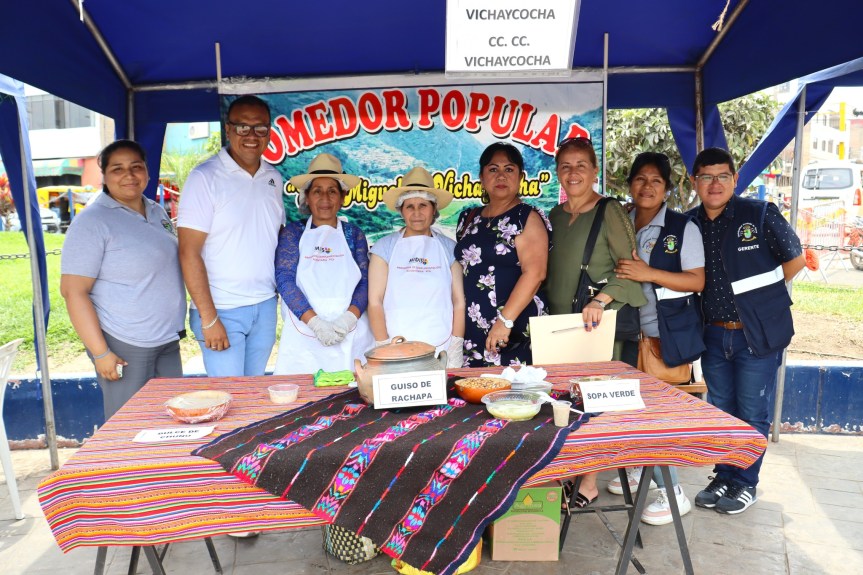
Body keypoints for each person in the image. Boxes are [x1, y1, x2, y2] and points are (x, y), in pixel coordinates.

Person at [687, 147, 804, 515]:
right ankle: (724, 474)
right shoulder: (690, 224)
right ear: (695, 182)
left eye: (723, 175)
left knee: (752, 412)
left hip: (757, 335)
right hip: (713, 334)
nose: (715, 183)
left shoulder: (760, 214)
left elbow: (795, 258)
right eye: (707, 176)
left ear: (735, 180)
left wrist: (761, 302)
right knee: (722, 409)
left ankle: (745, 484)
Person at [545, 136, 647, 508]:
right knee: (566, 403)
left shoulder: (609, 212)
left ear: (594, 171)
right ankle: (567, 470)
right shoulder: (555, 217)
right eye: (566, 166)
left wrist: (600, 301)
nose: (573, 173)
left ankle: (588, 480)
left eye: (581, 166)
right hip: (560, 327)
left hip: (597, 326)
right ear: (557, 171)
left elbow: (632, 268)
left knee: (595, 402)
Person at [60, 140, 186, 420]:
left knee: (173, 422)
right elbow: (73, 291)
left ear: (148, 173)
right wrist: (100, 352)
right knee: (130, 425)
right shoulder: (92, 222)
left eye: (136, 167)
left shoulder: (156, 210)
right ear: (103, 175)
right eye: (117, 169)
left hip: (166, 339)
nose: (129, 175)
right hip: (125, 345)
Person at [612, 152, 705, 525]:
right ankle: (640, 470)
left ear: (667, 188)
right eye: (640, 178)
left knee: (659, 414)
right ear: (629, 184)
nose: (647, 186)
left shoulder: (684, 227)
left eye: (656, 180)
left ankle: (673, 492)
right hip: (624, 333)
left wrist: (648, 273)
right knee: (628, 408)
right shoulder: (620, 222)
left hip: (662, 336)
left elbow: (696, 281)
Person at [178, 95, 285, 377]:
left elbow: (275, 239)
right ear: (228, 129)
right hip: (222, 309)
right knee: (229, 399)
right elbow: (188, 252)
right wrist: (209, 318)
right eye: (242, 128)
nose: (251, 136)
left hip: (264, 306)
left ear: (269, 132)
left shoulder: (273, 177)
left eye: (260, 129)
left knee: (253, 395)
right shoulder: (205, 177)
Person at [274, 153, 374, 374]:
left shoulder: (354, 234)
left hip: (350, 329)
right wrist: (315, 323)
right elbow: (284, 278)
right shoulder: (294, 233)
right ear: (306, 197)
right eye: (317, 191)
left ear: (342, 198)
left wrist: (348, 319)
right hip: (305, 329)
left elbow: (366, 280)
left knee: (352, 392)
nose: (325, 199)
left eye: (332, 191)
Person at [454, 142, 551, 367]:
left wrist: (504, 322)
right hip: (473, 328)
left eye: (509, 169)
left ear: (520, 177)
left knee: (516, 396)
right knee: (475, 393)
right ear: (481, 176)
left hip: (513, 329)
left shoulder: (527, 217)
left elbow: (535, 273)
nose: (501, 176)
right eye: (493, 169)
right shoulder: (469, 218)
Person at [369, 167, 465, 366]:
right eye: (409, 206)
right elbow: (375, 301)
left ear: (433, 209)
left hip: (441, 343)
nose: (417, 213)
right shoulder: (384, 247)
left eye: (423, 205)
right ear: (401, 210)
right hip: (395, 344)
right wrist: (383, 345)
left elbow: (458, 301)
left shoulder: (449, 248)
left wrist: (456, 344)